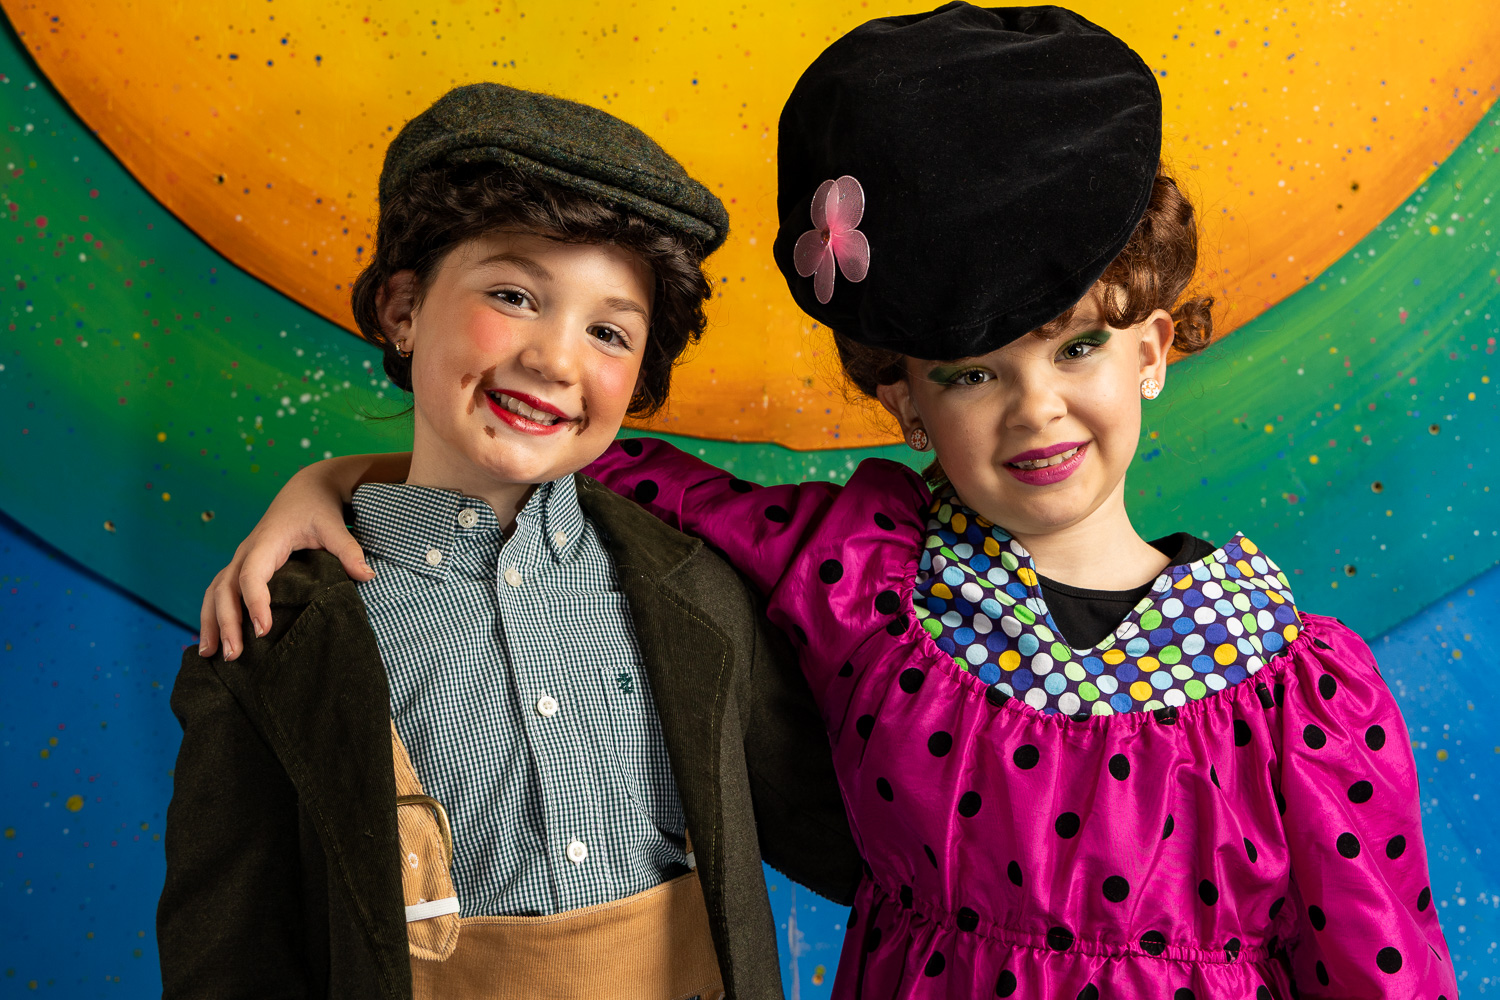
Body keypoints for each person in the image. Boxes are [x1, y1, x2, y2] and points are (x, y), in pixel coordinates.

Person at [200, 6, 1457, 998]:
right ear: (902, 398)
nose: (1037, 411)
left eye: (1079, 347)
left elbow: (1380, 970)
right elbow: (567, 449)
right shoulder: (860, 576)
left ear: (1155, 349)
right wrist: (341, 482)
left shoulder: (1300, 699)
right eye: (970, 372)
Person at [161, 82, 861, 1000]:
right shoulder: (272, 639)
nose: (555, 359)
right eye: (513, 295)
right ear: (404, 308)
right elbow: (227, 964)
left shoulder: (700, 593)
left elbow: (867, 843)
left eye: (608, 331)